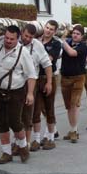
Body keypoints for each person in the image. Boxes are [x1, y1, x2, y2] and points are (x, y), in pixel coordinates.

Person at [0, 25, 37, 164]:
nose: (8, 41)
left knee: (15, 122)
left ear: (18, 38)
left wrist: (30, 94)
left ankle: (23, 147)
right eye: (7, 38)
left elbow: (32, 75)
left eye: (12, 39)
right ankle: (6, 152)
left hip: (15, 93)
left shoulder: (23, 52)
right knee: (1, 123)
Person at [17, 23, 52, 152]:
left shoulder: (37, 45)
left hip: (31, 83)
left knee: (27, 115)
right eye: (26, 36)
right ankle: (18, 142)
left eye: (30, 37)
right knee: (15, 115)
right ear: (21, 32)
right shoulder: (15, 42)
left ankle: (25, 144)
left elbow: (47, 64)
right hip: (15, 83)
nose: (27, 39)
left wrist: (49, 82)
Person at [32, 20, 62, 150]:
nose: (48, 30)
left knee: (49, 109)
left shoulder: (56, 43)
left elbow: (48, 59)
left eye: (51, 29)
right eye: (47, 27)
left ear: (54, 32)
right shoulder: (37, 40)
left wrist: (34, 59)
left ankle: (50, 137)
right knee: (36, 110)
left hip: (48, 77)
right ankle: (37, 139)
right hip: (36, 78)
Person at [60, 24, 87, 143]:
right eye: (74, 33)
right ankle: (72, 130)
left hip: (78, 78)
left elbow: (72, 53)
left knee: (74, 104)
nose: (75, 35)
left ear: (81, 36)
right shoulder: (68, 43)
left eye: (77, 34)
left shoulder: (83, 46)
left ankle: (74, 131)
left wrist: (62, 41)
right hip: (65, 78)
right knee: (68, 106)